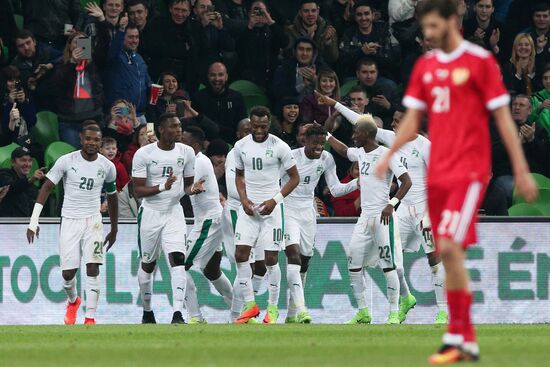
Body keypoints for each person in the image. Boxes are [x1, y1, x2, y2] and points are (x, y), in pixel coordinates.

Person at [374, 0, 538, 363]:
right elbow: (413, 118)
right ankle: (462, 334)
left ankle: (459, 334)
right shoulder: (425, 67)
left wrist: (521, 170)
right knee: (448, 252)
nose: (428, 35)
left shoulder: (479, 62)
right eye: (424, 29)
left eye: (433, 26)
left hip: (468, 168)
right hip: (439, 172)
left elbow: (503, 118)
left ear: (451, 21)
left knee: (447, 249)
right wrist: (388, 154)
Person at [320, 93, 449, 324]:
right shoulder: (391, 139)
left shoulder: (425, 146)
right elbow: (361, 122)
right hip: (400, 210)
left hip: (423, 209)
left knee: (433, 257)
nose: (393, 124)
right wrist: (335, 104)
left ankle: (442, 310)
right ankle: (405, 299)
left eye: (399, 121)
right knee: (393, 261)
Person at [26, 123, 119, 325]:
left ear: (101, 142)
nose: (92, 143)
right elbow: (47, 188)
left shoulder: (107, 166)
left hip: (93, 221)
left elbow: (112, 197)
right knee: (68, 274)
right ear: (81, 139)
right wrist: (34, 220)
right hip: (69, 220)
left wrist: (114, 227)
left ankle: (90, 318)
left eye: (96, 140)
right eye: (88, 139)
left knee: (93, 268)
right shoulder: (66, 161)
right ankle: (73, 301)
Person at [325, 110, 411, 325]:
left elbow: (407, 181)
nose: (353, 135)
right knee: (353, 262)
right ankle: (363, 311)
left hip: (383, 217)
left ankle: (393, 312)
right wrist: (326, 135)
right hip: (365, 218)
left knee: (388, 265)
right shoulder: (360, 153)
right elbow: (344, 151)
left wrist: (391, 205)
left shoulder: (387, 155)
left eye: (356, 132)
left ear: (366, 133)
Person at [282, 124, 358, 323]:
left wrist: (357, 183)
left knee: (305, 259)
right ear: (304, 140)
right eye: (315, 143)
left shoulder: (326, 159)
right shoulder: (290, 157)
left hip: (308, 212)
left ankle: (291, 314)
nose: (319, 147)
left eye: (322, 144)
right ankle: (302, 309)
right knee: (293, 255)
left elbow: (335, 190)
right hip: (287, 208)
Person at [132, 113, 203, 324]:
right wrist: (163, 186)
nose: (179, 130)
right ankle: (147, 311)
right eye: (173, 127)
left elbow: (188, 185)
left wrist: (194, 189)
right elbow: (138, 191)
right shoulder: (144, 154)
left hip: (174, 211)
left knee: (178, 261)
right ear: (161, 130)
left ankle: (178, 313)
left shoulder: (187, 152)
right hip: (151, 213)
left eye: (179, 126)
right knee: (148, 265)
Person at [232, 106, 299, 324]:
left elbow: (294, 178)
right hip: (249, 209)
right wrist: (243, 198)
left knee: (270, 259)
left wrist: (275, 200)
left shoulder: (280, 146)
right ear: (250, 124)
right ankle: (251, 305)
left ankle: (272, 309)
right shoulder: (240, 146)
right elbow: (239, 176)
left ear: (269, 124)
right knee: (240, 255)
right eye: (255, 126)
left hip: (272, 209)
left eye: (263, 126)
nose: (259, 130)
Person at [180, 126, 234, 323]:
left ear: (194, 145)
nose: (179, 144)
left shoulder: (198, 162)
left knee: (179, 266)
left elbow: (182, 188)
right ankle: (240, 312)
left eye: (183, 141)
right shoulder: (194, 160)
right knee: (212, 270)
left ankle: (195, 316)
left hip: (209, 222)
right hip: (212, 219)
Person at [493, 94, 550, 205]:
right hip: (507, 175)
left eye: (521, 105)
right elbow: (493, 155)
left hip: (534, 175)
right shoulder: (500, 128)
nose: (517, 108)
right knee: (512, 188)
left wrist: (532, 140)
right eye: (515, 105)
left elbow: (545, 158)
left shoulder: (537, 129)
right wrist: (515, 145)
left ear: (529, 111)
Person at [55, 32, 104, 149]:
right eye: (76, 41)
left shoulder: (93, 65)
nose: (79, 45)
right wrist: (72, 63)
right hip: (69, 121)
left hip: (92, 119)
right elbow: (57, 85)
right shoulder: (61, 64)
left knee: (91, 156)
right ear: (69, 46)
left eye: (83, 41)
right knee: (73, 156)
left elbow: (105, 47)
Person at [140, 0, 202, 90]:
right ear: (170, 9)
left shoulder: (196, 27)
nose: (179, 14)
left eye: (184, 10)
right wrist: (182, 48)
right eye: (176, 9)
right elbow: (152, 49)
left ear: (189, 12)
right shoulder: (156, 23)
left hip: (186, 80)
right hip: (159, 76)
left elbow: (201, 53)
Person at [339, 1, 399, 80]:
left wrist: (375, 53)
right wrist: (361, 52)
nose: (363, 18)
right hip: (354, 77)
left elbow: (393, 61)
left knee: (390, 86)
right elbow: (342, 61)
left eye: (366, 14)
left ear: (373, 15)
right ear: (355, 17)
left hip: (381, 76)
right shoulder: (348, 33)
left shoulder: (383, 31)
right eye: (359, 15)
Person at [104, 22, 151, 122]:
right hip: (123, 113)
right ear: (123, 38)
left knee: (148, 137)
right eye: (130, 37)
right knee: (124, 137)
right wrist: (121, 29)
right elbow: (115, 46)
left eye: (136, 37)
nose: (134, 41)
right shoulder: (115, 57)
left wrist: (152, 87)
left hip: (141, 114)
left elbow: (147, 81)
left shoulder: (139, 58)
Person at [236, 1, 288, 88]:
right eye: (255, 12)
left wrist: (270, 21)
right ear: (249, 14)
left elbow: (284, 42)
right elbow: (239, 48)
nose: (259, 14)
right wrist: (250, 27)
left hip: (271, 77)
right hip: (250, 78)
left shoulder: (273, 31)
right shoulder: (244, 30)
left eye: (262, 12)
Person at [192, 62, 246, 144]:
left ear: (226, 77)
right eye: (213, 75)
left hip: (232, 143)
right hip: (206, 143)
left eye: (220, 75)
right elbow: (195, 125)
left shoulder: (236, 97)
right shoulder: (198, 97)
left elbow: (241, 124)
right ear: (208, 77)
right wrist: (202, 141)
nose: (217, 79)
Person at [11, 29, 62, 111]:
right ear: (17, 49)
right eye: (21, 46)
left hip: (54, 99)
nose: (26, 48)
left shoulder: (46, 51)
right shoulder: (16, 64)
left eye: (28, 43)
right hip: (33, 102)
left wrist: (50, 65)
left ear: (34, 42)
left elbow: (64, 58)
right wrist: (27, 81)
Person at [324, 86, 369, 177]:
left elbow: (375, 131)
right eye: (352, 99)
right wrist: (334, 115)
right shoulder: (340, 118)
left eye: (359, 99)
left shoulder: (374, 119)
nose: (356, 103)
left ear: (366, 101)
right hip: (339, 165)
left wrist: (359, 117)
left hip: (362, 167)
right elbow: (327, 130)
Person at [271, 38, 328, 103]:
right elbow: (278, 93)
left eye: (308, 50)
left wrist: (315, 79)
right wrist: (302, 85)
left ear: (314, 53)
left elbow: (332, 92)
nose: (304, 53)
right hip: (292, 109)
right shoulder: (283, 69)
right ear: (294, 51)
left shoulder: (323, 68)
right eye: (301, 49)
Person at [285, 0, 338, 65]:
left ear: (318, 11)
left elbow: (333, 58)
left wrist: (328, 42)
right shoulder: (291, 30)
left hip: (321, 70)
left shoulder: (327, 29)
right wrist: (307, 38)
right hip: (296, 69)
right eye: (306, 11)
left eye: (313, 11)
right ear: (300, 13)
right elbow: (286, 56)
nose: (310, 14)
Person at [192, 0, 236, 74]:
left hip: (216, 66)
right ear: (195, 11)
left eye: (209, 7)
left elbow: (230, 47)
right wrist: (202, 26)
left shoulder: (215, 23)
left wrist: (220, 28)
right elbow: (195, 51)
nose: (206, 10)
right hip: (197, 67)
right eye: (202, 7)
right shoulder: (190, 25)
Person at [355, 57, 401, 128]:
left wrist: (389, 106)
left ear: (377, 73)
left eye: (372, 72)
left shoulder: (389, 87)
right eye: (364, 72)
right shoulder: (351, 89)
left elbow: (402, 111)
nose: (369, 76)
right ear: (358, 74)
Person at [0, 147, 45, 217]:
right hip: (7, 224)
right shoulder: (4, 174)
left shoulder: (31, 186)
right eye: (23, 160)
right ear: (13, 162)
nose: (27, 164)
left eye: (30, 161)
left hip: (26, 225)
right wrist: (30, 180)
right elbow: (11, 187)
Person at [530, 65, 550, 137]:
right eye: (545, 78)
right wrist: (539, 108)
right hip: (542, 141)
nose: (548, 81)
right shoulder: (534, 98)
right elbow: (528, 120)